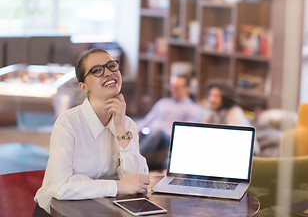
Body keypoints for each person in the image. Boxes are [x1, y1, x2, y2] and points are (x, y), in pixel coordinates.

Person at [33, 49, 149, 215]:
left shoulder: (128, 124)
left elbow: (137, 182)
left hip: (100, 210)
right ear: (83, 87)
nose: (108, 73)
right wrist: (118, 186)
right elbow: (61, 186)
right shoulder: (68, 123)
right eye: (96, 70)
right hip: (57, 212)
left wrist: (121, 129)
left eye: (111, 66)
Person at [138, 75, 201, 166]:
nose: (173, 90)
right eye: (172, 86)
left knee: (158, 130)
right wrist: (140, 129)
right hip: (150, 134)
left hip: (169, 139)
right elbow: (147, 120)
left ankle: (134, 160)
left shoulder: (192, 108)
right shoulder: (163, 102)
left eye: (177, 88)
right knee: (131, 128)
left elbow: (188, 133)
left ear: (187, 89)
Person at [202, 82, 261, 155]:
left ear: (226, 98)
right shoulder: (213, 112)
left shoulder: (234, 113)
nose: (211, 99)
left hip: (248, 154)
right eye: (211, 95)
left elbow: (232, 139)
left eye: (216, 96)